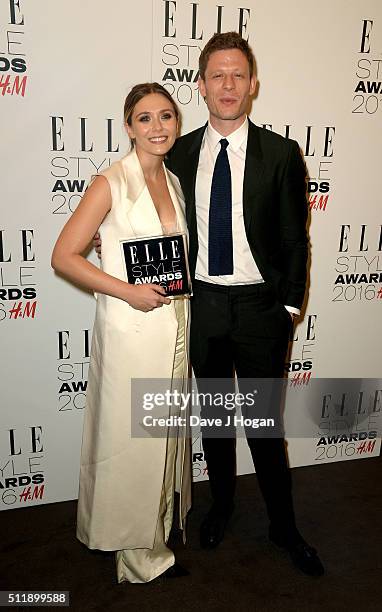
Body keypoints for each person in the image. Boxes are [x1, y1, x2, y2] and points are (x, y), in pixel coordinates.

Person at [164, 32, 324, 577]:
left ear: (253, 85)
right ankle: (222, 506)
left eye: (238, 75)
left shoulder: (281, 153)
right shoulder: (178, 153)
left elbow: (296, 236)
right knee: (212, 418)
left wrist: (286, 307)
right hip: (202, 303)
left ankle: (284, 527)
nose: (228, 85)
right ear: (202, 87)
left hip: (260, 309)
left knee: (262, 425)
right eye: (217, 76)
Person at [51, 83, 191, 584]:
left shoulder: (173, 182)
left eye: (166, 116)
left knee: (162, 439)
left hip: (174, 327)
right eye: (145, 118)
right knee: (133, 444)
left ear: (176, 123)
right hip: (131, 330)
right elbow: (63, 255)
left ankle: (152, 538)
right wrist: (126, 291)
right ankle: (134, 557)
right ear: (128, 126)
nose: (157, 127)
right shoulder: (109, 183)